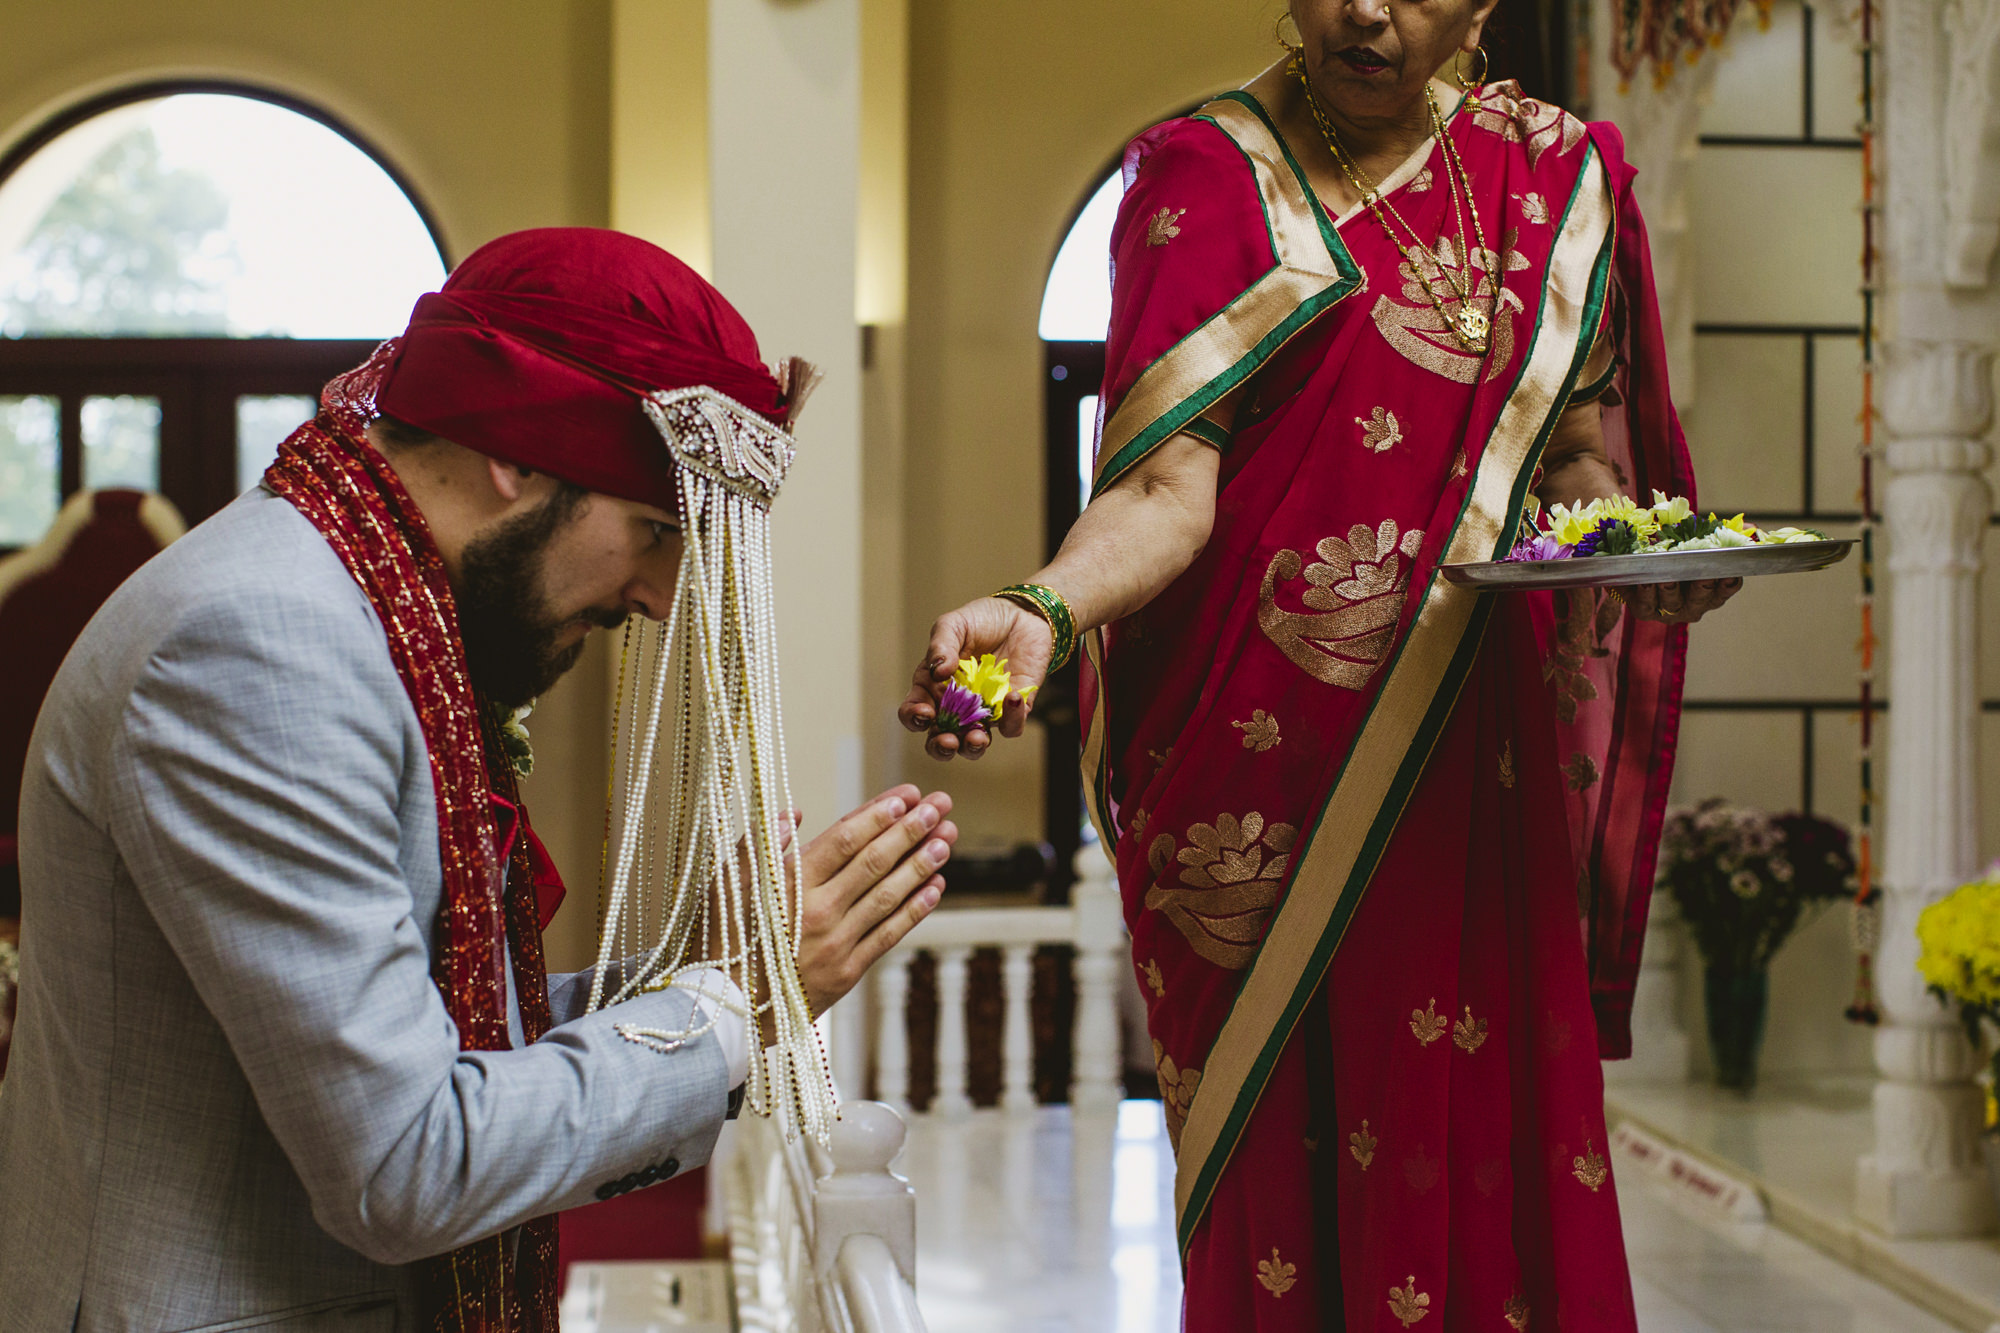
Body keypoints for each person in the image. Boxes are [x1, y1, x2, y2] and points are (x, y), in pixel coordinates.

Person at [901, 3, 1738, 1327]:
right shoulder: (1203, 175)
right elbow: (1168, 488)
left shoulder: (1552, 173)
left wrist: (1614, 544)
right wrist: (1044, 609)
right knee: (1284, 1189)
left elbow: (1578, 455)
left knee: (1475, 1147)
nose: (1366, 7)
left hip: (1469, 764)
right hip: (1258, 788)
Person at [0, 228, 957, 1332]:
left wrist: (704, 966)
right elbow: (406, 1158)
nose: (655, 596)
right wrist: (729, 1005)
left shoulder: (372, 607)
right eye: (652, 531)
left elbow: (433, 1034)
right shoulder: (260, 644)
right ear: (518, 455)